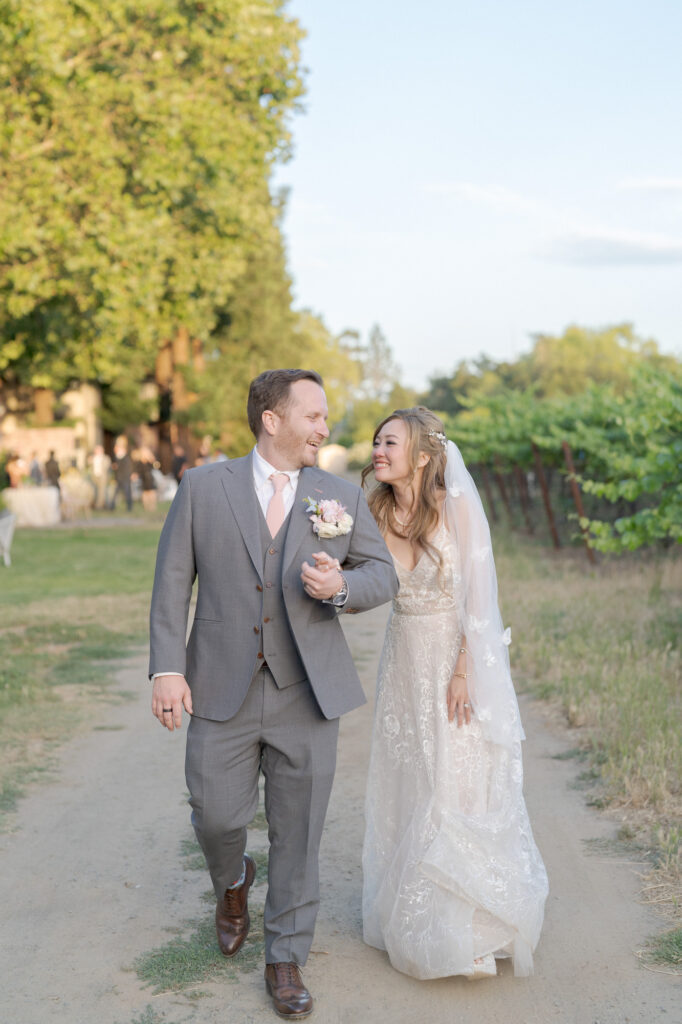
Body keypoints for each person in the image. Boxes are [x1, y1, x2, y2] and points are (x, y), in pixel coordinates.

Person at [149, 368, 398, 1019]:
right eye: (313, 416)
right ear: (272, 419)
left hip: (308, 694)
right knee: (217, 815)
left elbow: (381, 573)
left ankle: (284, 956)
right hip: (219, 688)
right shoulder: (204, 488)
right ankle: (232, 881)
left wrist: (339, 590)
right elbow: (174, 580)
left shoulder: (338, 494)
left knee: (299, 833)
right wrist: (166, 668)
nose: (325, 427)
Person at [362, 407, 547, 981]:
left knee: (457, 781)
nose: (377, 451)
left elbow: (479, 594)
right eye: (376, 442)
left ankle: (473, 928)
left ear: (422, 454)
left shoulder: (456, 506)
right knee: (413, 777)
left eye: (389, 442)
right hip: (404, 660)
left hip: (452, 658)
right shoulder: (374, 511)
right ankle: (423, 919)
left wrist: (465, 669)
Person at [109, 436, 134, 511]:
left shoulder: (125, 458)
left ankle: (129, 507)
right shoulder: (117, 457)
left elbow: (127, 468)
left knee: (127, 493)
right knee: (115, 493)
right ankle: (112, 507)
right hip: (119, 478)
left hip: (125, 478)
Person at [88, 444, 111, 509]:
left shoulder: (106, 458)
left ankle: (99, 506)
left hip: (102, 476)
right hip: (94, 476)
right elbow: (89, 464)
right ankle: (93, 504)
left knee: (101, 492)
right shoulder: (93, 457)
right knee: (94, 491)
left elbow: (106, 466)